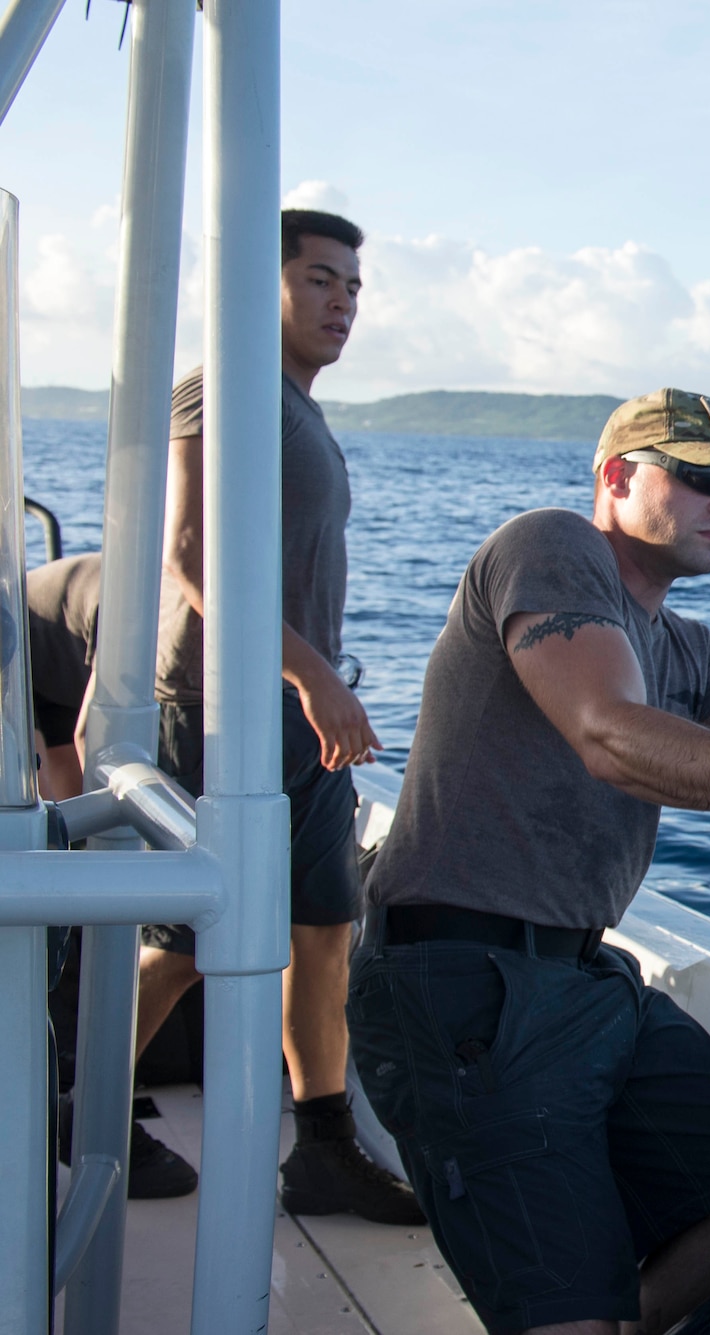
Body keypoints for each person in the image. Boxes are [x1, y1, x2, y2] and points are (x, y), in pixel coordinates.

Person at [351, 388, 710, 1334]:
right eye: (701, 477)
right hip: (459, 982)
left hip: (587, 978)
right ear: (615, 475)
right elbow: (607, 732)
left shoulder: (699, 650)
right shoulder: (550, 546)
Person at [139, 208, 422, 1225]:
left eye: (352, 285)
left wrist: (313, 687)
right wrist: (312, 678)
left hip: (299, 715)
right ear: (260, 287)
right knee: (184, 937)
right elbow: (190, 560)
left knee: (324, 929)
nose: (341, 301)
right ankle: (77, 1102)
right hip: (225, 709)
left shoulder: (298, 405)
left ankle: (325, 1150)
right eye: (318, 279)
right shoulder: (224, 386)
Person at [26, 550, 200, 1199]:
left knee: (85, 848)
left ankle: (79, 1063)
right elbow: (96, 744)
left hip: (63, 651)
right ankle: (86, 1090)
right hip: (33, 652)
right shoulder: (144, 610)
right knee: (75, 838)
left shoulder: (153, 605)